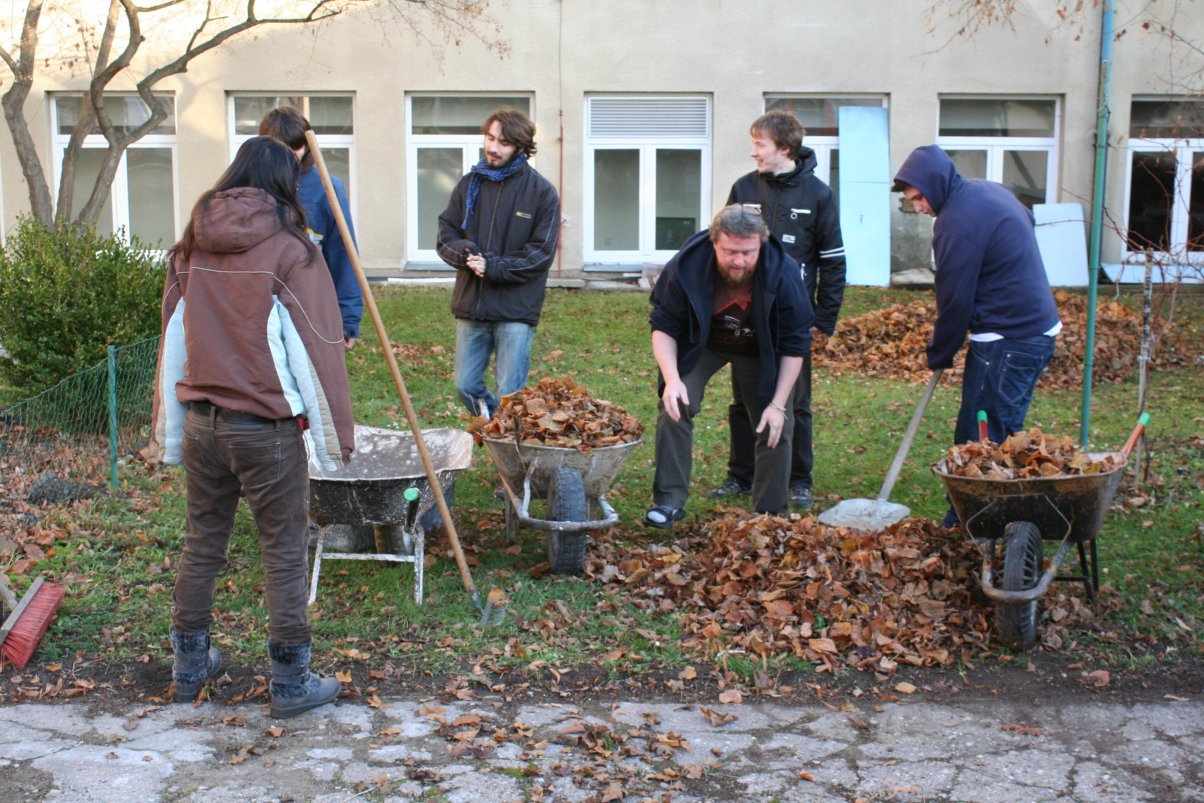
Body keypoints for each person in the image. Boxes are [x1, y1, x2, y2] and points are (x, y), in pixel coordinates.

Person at [151, 136, 356, 719]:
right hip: (264, 430)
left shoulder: (190, 247)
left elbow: (173, 346)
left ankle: (190, 665)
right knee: (285, 552)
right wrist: (332, 439)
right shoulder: (292, 251)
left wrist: (170, 433)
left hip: (202, 427)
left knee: (203, 545)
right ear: (282, 183)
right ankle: (290, 682)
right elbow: (315, 352)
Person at [892, 144, 1061, 526]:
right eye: (912, 201)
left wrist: (940, 351)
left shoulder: (955, 223)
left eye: (919, 198)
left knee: (981, 433)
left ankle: (971, 523)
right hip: (1031, 330)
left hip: (1011, 339)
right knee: (1000, 430)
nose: (918, 207)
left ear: (935, 185)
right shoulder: (987, 190)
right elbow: (1025, 223)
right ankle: (993, 515)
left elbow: (953, 299)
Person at [646, 205, 813, 529]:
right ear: (714, 242)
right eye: (730, 252)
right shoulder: (687, 264)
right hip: (703, 343)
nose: (739, 261)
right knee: (674, 405)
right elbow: (663, 325)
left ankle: (768, 515)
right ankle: (668, 502)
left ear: (761, 243)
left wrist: (779, 404)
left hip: (760, 349)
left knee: (776, 421)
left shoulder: (784, 271)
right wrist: (672, 379)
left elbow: (796, 343)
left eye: (748, 252)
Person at [712, 110, 846, 510]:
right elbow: (721, 248)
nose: (753, 152)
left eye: (759, 144)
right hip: (745, 312)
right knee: (743, 398)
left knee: (795, 402)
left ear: (784, 149)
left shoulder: (819, 195)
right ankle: (742, 474)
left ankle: (798, 479)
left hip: (792, 318)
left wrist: (824, 317)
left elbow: (833, 260)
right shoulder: (744, 187)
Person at [436, 108, 560, 419]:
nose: (493, 147)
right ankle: (497, 428)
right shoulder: (469, 186)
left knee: (511, 394)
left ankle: (510, 455)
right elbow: (445, 233)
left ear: (520, 146)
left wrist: (493, 267)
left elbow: (540, 253)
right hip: (473, 305)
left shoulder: (542, 193)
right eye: (490, 138)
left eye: (503, 142)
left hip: (516, 311)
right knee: (464, 385)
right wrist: (467, 254)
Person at [259, 106, 363, 350]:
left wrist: (347, 319)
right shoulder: (249, 186)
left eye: (297, 147)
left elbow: (343, 254)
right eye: (284, 149)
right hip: (260, 308)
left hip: (310, 306)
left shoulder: (326, 188)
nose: (293, 156)